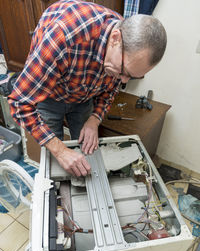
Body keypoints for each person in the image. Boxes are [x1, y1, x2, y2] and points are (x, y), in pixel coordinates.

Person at [8, 0, 167, 177]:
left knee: (86, 154)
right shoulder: (63, 37)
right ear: (115, 39)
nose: (123, 81)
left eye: (131, 77)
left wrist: (95, 119)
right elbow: (19, 103)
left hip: (83, 97)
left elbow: (111, 89)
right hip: (48, 95)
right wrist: (60, 150)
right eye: (124, 72)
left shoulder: (126, 38)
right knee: (55, 162)